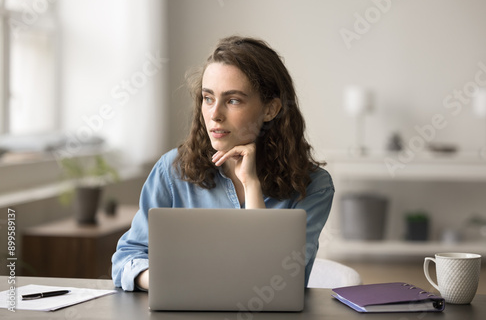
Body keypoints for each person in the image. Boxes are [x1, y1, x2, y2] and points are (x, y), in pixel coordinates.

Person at [111, 35, 334, 291]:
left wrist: (251, 185)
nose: (215, 114)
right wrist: (168, 282)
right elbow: (127, 258)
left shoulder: (314, 186)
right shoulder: (171, 170)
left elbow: (274, 281)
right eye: (208, 98)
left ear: (271, 109)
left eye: (233, 100)